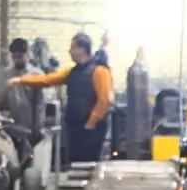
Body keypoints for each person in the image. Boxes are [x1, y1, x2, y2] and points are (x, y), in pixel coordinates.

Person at [10, 31, 113, 164]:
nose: (69, 51)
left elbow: (105, 100)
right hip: (76, 127)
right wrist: (21, 80)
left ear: (82, 50)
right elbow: (48, 79)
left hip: (92, 129)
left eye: (72, 48)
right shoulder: (73, 71)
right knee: (75, 163)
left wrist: (91, 122)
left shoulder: (99, 71)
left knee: (87, 164)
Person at [5, 37, 43, 141]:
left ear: (28, 55)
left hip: (28, 128)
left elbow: (39, 105)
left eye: (20, 56)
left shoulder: (36, 75)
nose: (17, 60)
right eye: (14, 57)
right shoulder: (6, 74)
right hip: (9, 127)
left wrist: (37, 128)